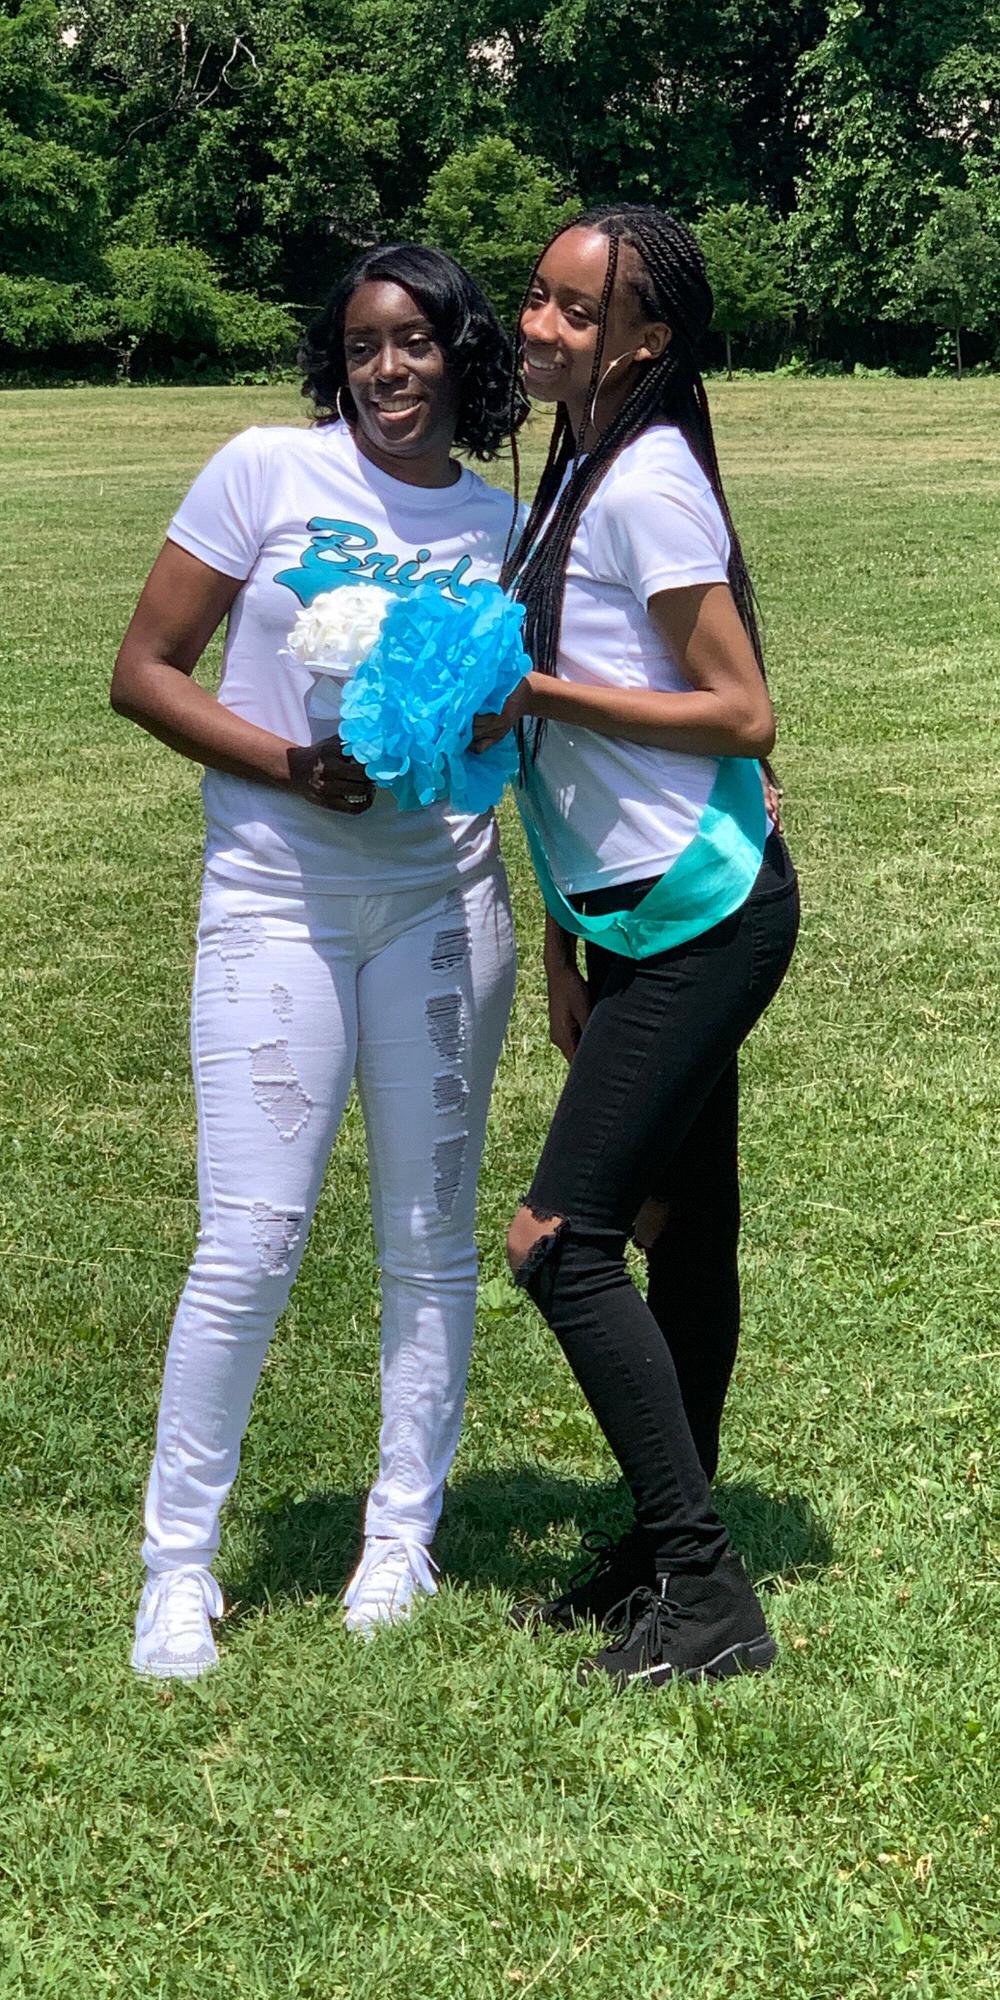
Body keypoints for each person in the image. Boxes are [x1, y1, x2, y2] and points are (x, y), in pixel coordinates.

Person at [113, 245, 522, 1677]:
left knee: (430, 1240)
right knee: (251, 1240)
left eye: (414, 341)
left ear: (459, 353)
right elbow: (143, 671)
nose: (387, 369)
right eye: (360, 346)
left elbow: (519, 719)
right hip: (273, 900)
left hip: (442, 905)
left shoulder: (501, 521)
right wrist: (290, 764)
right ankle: (178, 1567)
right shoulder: (264, 472)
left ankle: (400, 1536)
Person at [473, 205, 799, 1690]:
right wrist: (562, 943)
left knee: (560, 1240)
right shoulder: (573, 466)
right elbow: (571, 755)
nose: (537, 326)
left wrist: (539, 694)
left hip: (702, 915)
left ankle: (705, 1590)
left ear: (644, 340)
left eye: (573, 309)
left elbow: (741, 714)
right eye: (536, 297)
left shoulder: (647, 482)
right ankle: (665, 1556)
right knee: (688, 1231)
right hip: (625, 913)